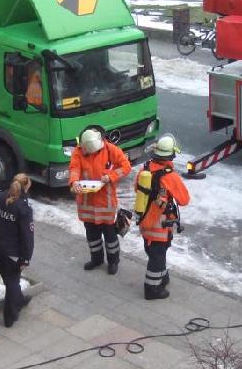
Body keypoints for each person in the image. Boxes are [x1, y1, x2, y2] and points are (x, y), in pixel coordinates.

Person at [68, 126, 131, 275]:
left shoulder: (111, 150)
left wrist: (111, 176)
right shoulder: (78, 151)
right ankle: (96, 259)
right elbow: (74, 168)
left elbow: (125, 167)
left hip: (105, 203)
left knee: (110, 236)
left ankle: (113, 261)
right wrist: (74, 181)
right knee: (92, 236)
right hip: (87, 203)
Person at [136, 133, 190, 300]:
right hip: (160, 226)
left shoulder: (145, 169)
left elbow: (137, 189)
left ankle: (162, 277)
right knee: (157, 257)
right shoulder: (170, 176)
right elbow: (184, 200)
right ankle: (152, 290)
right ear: (171, 155)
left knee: (154, 253)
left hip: (145, 220)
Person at [0, 173, 35, 328]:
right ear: (25, 188)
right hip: (12, 252)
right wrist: (26, 258)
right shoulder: (24, 209)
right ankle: (10, 316)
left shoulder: (0, 196)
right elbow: (27, 236)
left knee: (9, 277)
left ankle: (19, 299)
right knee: (12, 280)